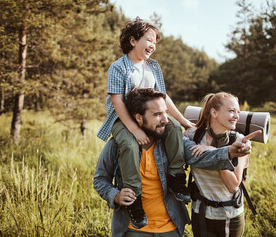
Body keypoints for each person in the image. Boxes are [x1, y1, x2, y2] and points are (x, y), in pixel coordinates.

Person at [93, 88, 258, 237]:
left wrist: (229, 151)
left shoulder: (173, 142)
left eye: (165, 112)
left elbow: (200, 157)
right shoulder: (117, 146)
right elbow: (100, 179)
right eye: (157, 114)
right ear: (138, 117)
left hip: (170, 227)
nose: (165, 119)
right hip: (132, 229)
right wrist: (115, 196)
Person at [96, 17, 193, 229]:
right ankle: (135, 199)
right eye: (149, 39)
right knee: (130, 145)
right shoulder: (118, 67)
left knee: (174, 129)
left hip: (152, 117)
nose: (153, 45)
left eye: (155, 42)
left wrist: (184, 121)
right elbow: (117, 101)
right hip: (123, 119)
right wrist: (133, 129)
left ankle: (176, 177)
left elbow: (164, 98)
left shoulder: (153, 67)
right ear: (133, 40)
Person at [184, 92, 249, 237]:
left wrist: (215, 152)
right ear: (214, 112)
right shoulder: (193, 136)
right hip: (200, 213)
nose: (236, 116)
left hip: (230, 215)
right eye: (231, 111)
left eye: (238, 112)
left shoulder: (239, 141)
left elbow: (233, 186)